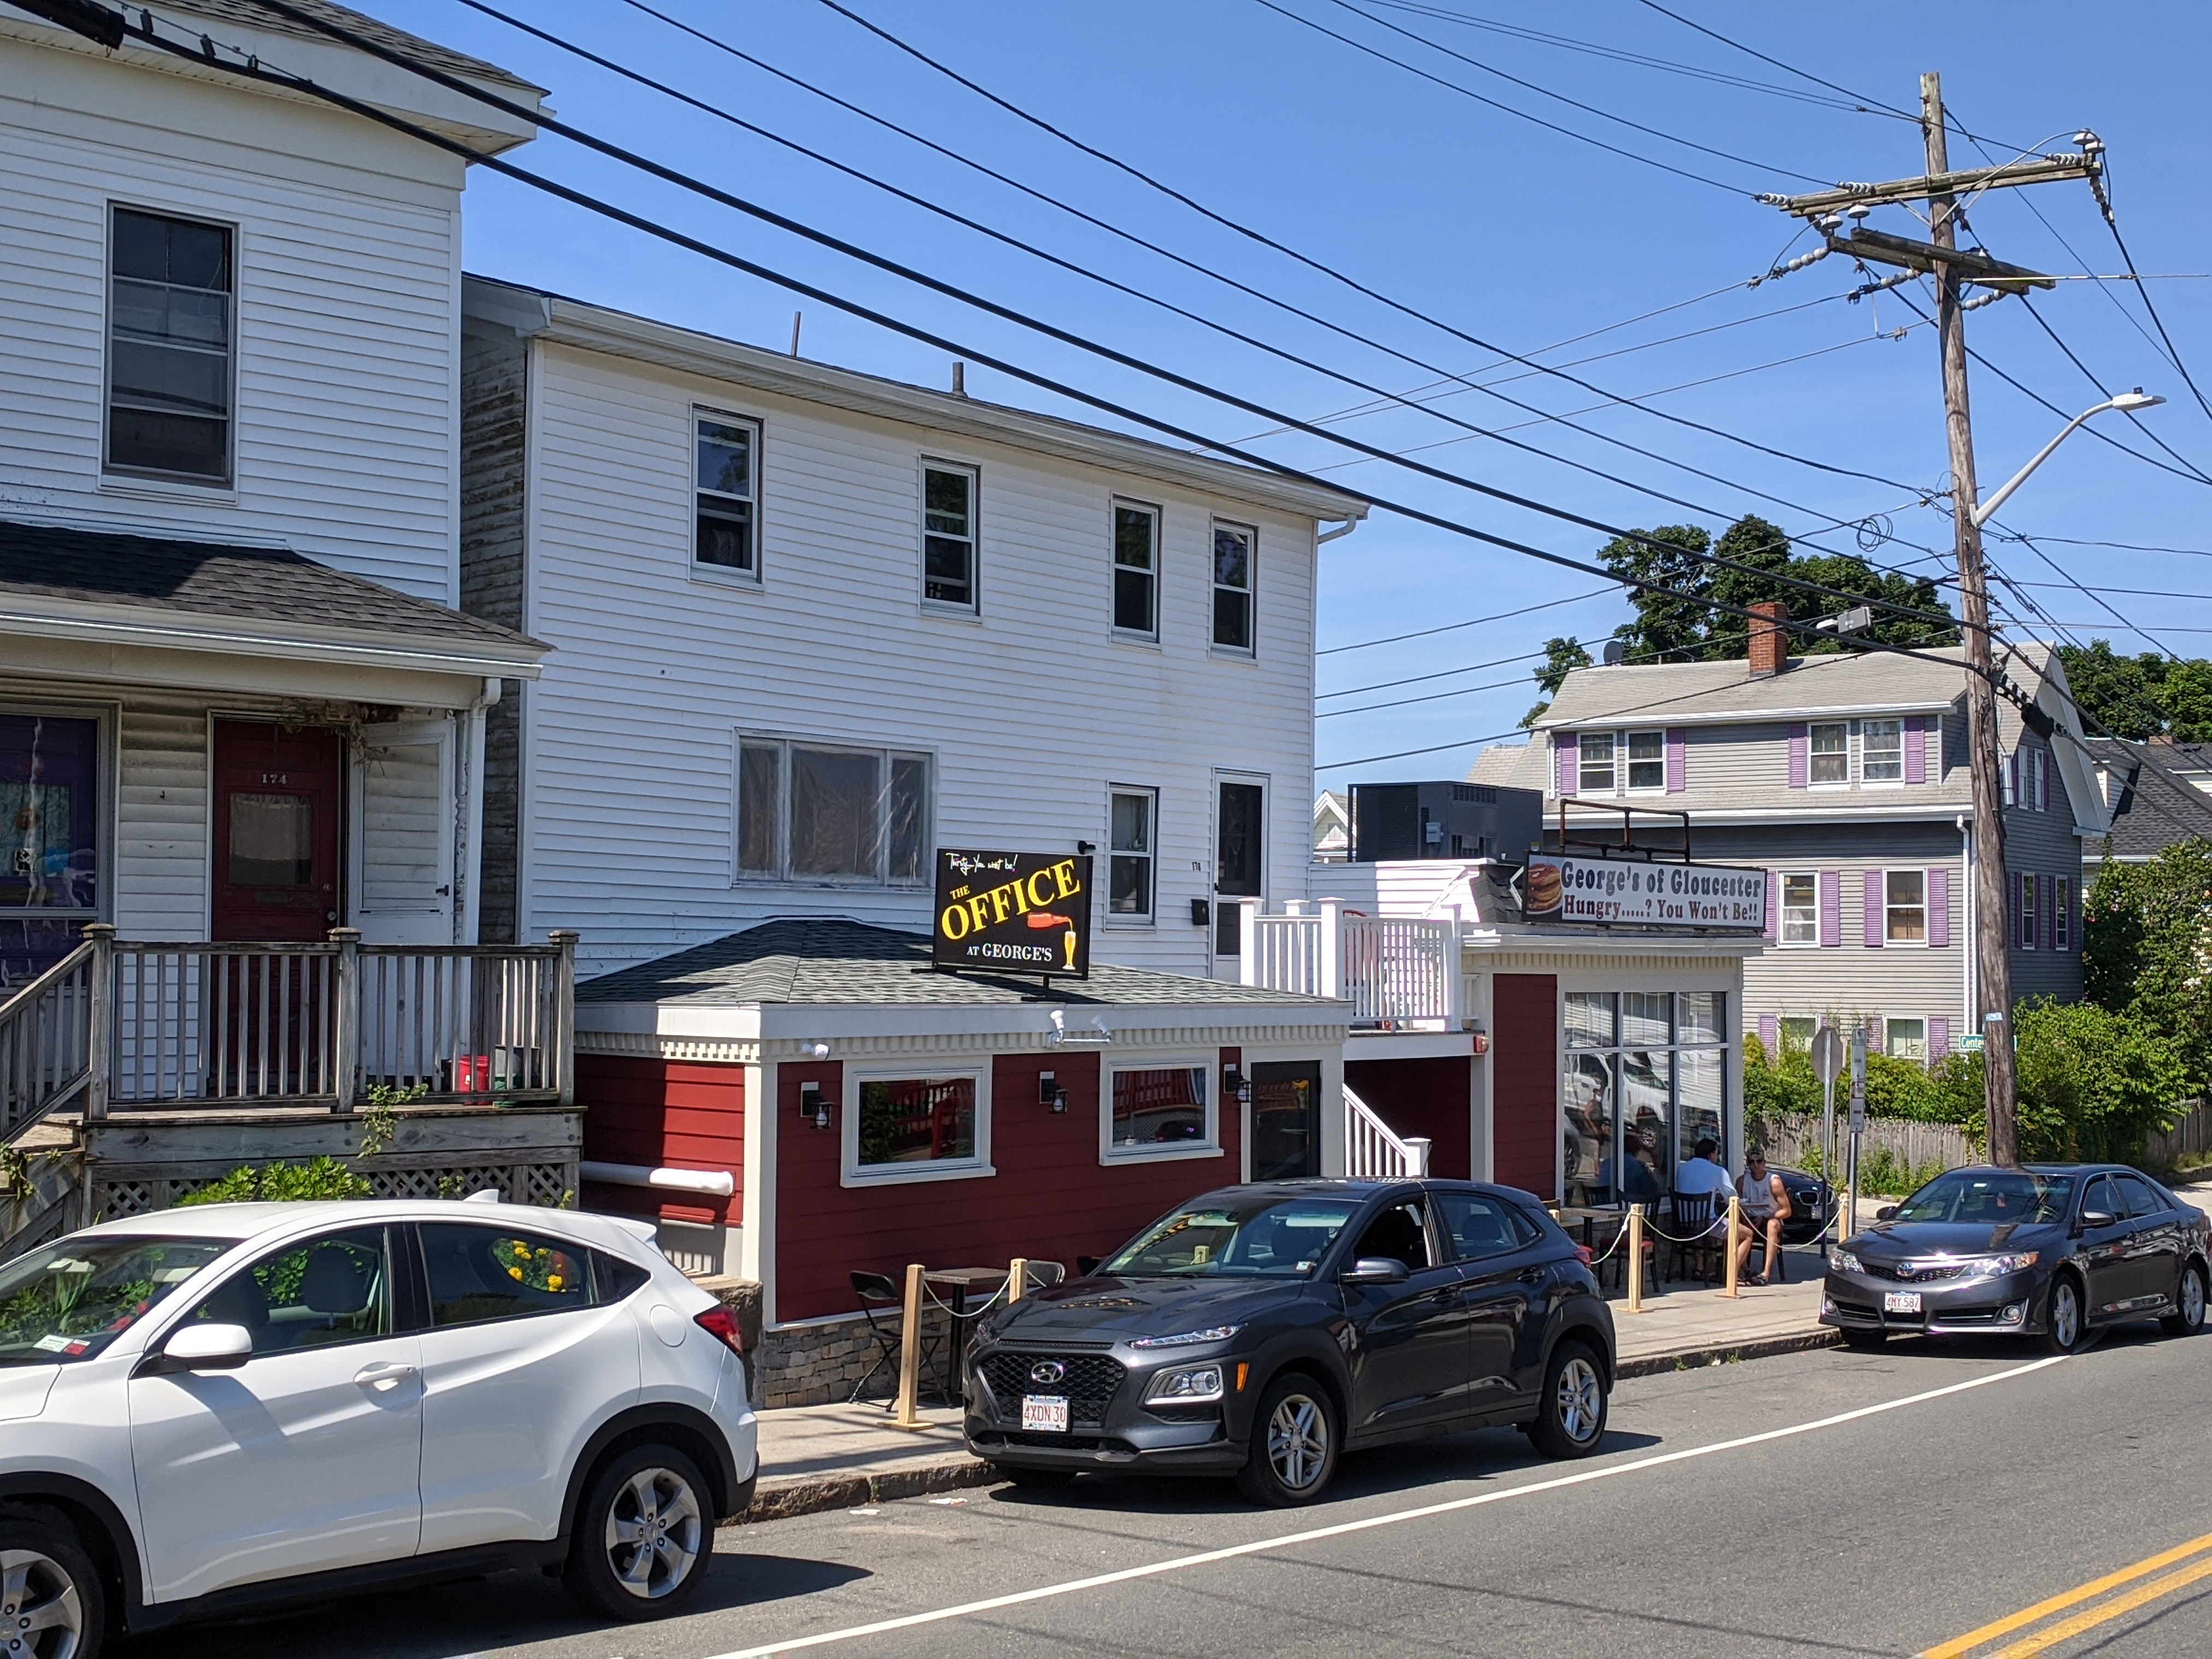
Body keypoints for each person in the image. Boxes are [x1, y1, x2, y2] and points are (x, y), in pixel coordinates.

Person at [1734, 1149, 1791, 1285]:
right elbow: (1737, 1205)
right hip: (1749, 1218)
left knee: (1773, 1225)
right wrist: (1745, 1218)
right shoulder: (1742, 1181)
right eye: (1752, 1162)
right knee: (1735, 1225)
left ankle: (1766, 1273)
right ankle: (1742, 1271)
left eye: (1759, 1161)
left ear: (1764, 1163)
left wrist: (1765, 1217)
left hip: (1770, 1218)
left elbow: (1787, 1211)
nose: (1756, 1165)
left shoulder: (1774, 1182)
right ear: (1748, 1164)